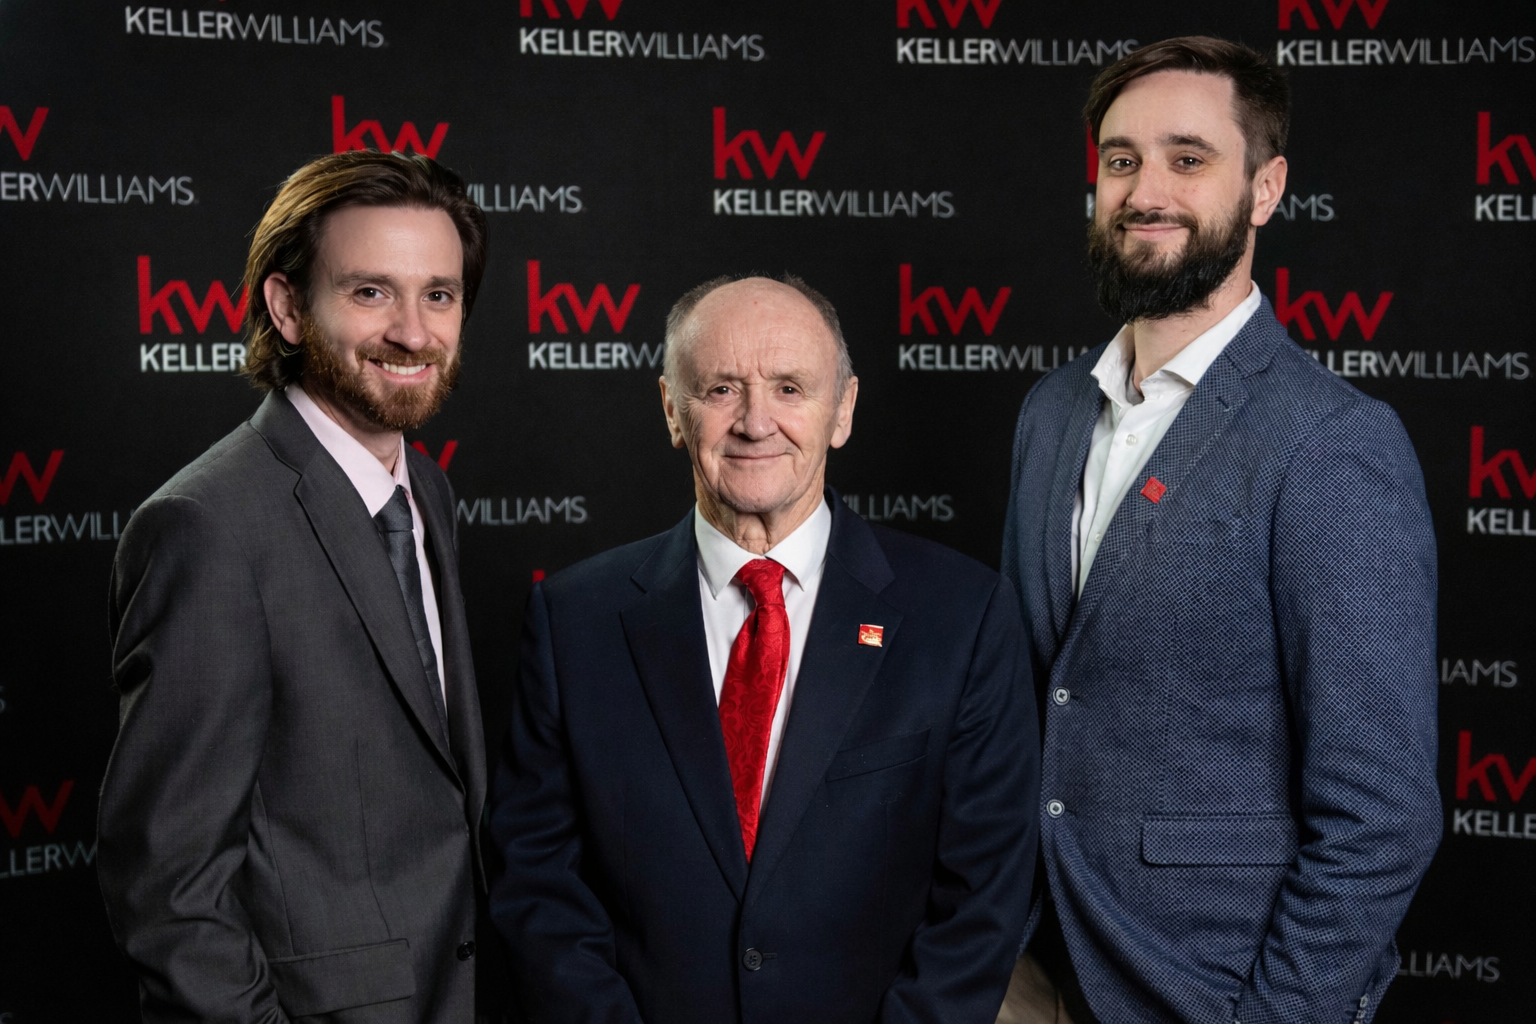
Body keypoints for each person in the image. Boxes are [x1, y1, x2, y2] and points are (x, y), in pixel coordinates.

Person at [998, 37, 1440, 1024]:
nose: (1146, 189)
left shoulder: (1334, 444)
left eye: (1187, 158)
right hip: (1029, 974)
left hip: (1211, 992)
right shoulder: (1053, 410)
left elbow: (1381, 819)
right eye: (1122, 160)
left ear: (1267, 187)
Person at [489, 275, 1039, 1023]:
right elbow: (537, 883)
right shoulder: (573, 619)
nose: (755, 422)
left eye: (789, 388)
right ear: (671, 411)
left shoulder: (962, 616)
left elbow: (983, 897)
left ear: (842, 409)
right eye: (720, 389)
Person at [98, 151, 489, 1023]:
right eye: (370, 292)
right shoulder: (207, 527)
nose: (415, 332)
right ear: (286, 308)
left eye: (440, 294)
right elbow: (167, 884)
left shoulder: (426, 491)